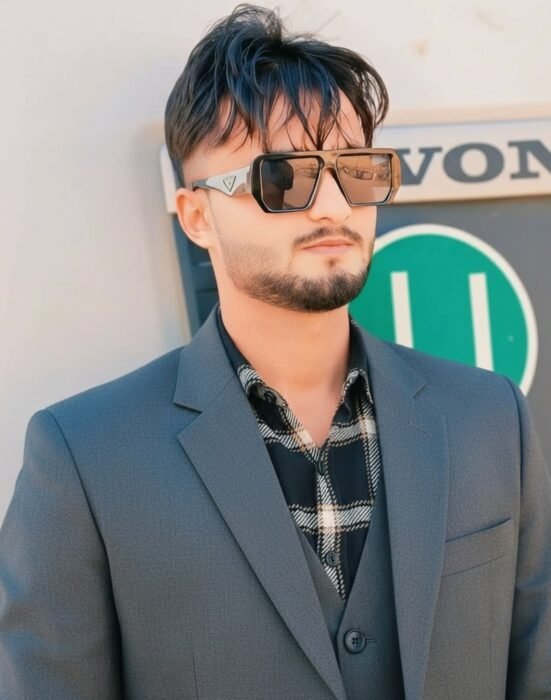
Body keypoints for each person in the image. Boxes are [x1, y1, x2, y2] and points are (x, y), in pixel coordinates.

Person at [1, 4, 550, 699]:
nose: (333, 207)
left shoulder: (487, 418)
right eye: (284, 179)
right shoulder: (85, 458)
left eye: (357, 171)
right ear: (197, 216)